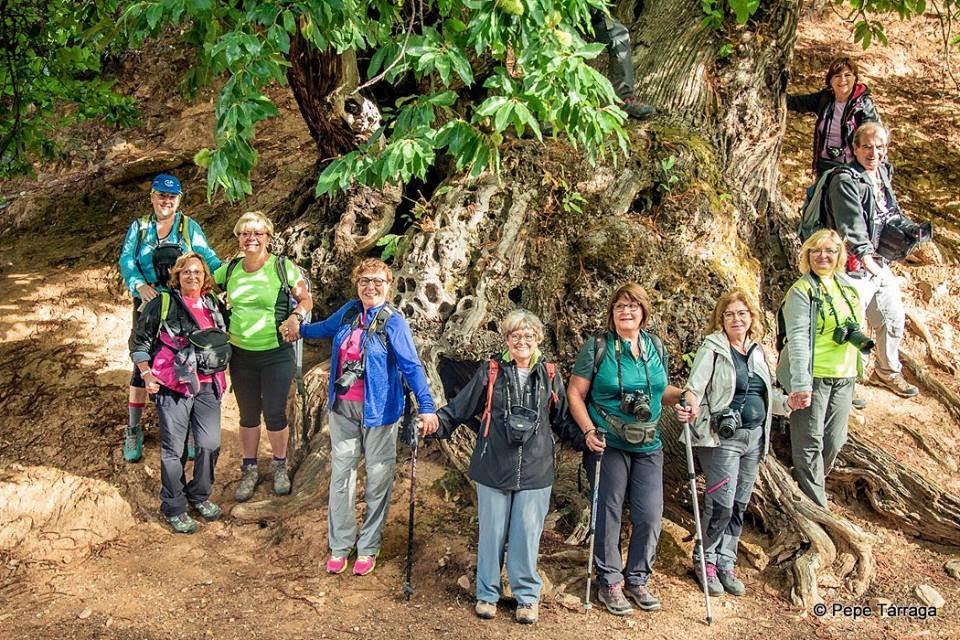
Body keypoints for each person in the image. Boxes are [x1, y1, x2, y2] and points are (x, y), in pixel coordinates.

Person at [436, 310, 584, 624]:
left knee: (526, 534)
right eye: (516, 335)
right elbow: (461, 406)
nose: (522, 341)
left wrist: (588, 438)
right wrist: (436, 423)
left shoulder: (550, 373)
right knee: (491, 533)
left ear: (538, 339)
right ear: (506, 339)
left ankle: (527, 597)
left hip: (535, 467)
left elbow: (562, 420)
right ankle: (486, 594)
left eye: (529, 336)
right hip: (494, 464)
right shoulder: (491, 371)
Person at [300, 258, 438, 577]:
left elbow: (412, 366)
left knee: (378, 478)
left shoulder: (393, 322)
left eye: (377, 281)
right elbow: (323, 329)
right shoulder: (349, 311)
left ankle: (368, 546)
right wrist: (298, 329)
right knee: (342, 474)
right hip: (343, 407)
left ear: (389, 286)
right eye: (364, 281)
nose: (370, 287)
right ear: (356, 284)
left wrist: (426, 405)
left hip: (381, 411)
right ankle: (340, 545)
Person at [567, 283, 692, 616]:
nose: (626, 311)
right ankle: (609, 580)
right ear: (612, 311)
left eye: (633, 306)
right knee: (607, 511)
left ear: (644, 312)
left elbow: (662, 391)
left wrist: (685, 397)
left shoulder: (655, 347)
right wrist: (588, 430)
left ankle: (637, 578)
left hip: (649, 442)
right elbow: (575, 393)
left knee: (650, 514)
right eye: (620, 306)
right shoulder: (598, 347)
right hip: (607, 442)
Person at [682, 290, 789, 596]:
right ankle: (706, 561)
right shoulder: (713, 348)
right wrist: (689, 406)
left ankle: (727, 560)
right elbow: (695, 388)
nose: (736, 319)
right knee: (721, 504)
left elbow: (766, 396)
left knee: (740, 504)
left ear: (751, 317)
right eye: (729, 314)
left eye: (742, 313)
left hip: (755, 438)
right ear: (721, 319)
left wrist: (789, 402)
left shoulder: (757, 351)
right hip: (722, 438)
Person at [119, 174, 221, 463]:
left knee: (185, 359)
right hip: (148, 302)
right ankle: (133, 427)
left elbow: (207, 257)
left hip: (181, 303)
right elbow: (127, 259)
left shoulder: (189, 227)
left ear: (179, 200)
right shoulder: (139, 228)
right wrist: (139, 284)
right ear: (152, 197)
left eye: (172, 197)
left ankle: (186, 427)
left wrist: (230, 274)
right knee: (142, 363)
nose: (166, 201)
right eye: (161, 196)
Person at [213, 212, 313, 500]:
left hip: (276, 353)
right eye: (245, 233)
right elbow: (201, 286)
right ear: (238, 238)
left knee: (274, 411)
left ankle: (280, 466)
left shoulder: (282, 267)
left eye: (257, 233)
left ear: (268, 237)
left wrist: (296, 317)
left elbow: (305, 298)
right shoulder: (229, 270)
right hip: (240, 354)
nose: (251, 238)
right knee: (247, 414)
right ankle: (250, 468)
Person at [129, 253, 228, 533]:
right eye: (186, 272)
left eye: (197, 272)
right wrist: (147, 374)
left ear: (205, 277)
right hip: (172, 385)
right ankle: (174, 506)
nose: (192, 276)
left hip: (208, 384)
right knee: (174, 450)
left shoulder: (213, 305)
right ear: (177, 276)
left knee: (209, 444)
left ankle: (199, 495)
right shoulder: (162, 304)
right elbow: (139, 342)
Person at [826, 122, 918, 398]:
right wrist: (866, 258)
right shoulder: (845, 180)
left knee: (892, 318)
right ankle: (844, 383)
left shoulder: (882, 174)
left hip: (879, 263)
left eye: (879, 147)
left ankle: (886, 372)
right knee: (847, 326)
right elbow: (850, 225)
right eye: (866, 146)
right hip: (852, 265)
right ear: (854, 148)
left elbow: (889, 212)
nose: (873, 153)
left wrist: (910, 230)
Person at [777, 229, 865, 508]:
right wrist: (801, 383)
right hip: (813, 376)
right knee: (809, 441)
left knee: (835, 441)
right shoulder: (801, 291)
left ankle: (809, 483)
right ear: (807, 255)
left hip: (844, 375)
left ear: (840, 255)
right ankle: (817, 506)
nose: (823, 256)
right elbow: (799, 339)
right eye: (816, 251)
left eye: (830, 251)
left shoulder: (848, 287)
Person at [787, 56, 880, 176]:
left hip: (852, 168)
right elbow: (796, 103)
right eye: (837, 76)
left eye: (847, 75)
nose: (842, 80)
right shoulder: (825, 98)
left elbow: (872, 134)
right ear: (830, 80)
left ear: (855, 78)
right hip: (824, 165)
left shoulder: (862, 104)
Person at [589, 6, 655, 119]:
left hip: (592, 15)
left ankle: (624, 100)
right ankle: (550, 111)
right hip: (557, 16)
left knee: (619, 33)